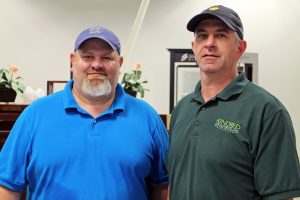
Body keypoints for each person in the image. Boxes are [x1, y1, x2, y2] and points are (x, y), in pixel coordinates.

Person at [0, 26, 169, 200]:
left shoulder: (148, 118)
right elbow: (7, 187)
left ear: (120, 64)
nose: (97, 65)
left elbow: (164, 187)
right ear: (72, 61)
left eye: (106, 57)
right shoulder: (34, 116)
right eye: (87, 56)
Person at [167, 5, 300, 200]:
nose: (209, 43)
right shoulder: (182, 109)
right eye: (202, 36)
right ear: (194, 47)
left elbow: (281, 197)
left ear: (240, 48)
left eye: (220, 35)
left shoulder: (266, 111)